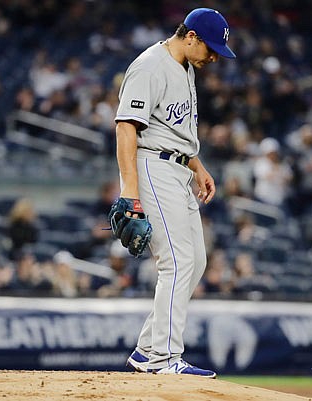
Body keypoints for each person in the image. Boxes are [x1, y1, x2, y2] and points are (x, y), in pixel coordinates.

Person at [113, 8, 236, 378]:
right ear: (192, 36)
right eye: (211, 48)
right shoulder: (150, 65)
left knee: (196, 260)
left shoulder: (185, 67)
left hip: (178, 167)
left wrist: (197, 166)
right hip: (152, 166)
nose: (214, 57)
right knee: (177, 262)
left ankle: (147, 349)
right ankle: (164, 359)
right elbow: (125, 130)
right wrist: (130, 192)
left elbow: (175, 127)